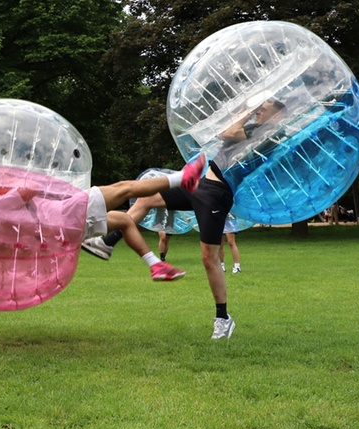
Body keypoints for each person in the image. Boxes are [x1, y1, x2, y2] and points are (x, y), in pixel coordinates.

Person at [85, 99, 286, 339]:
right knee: (146, 198)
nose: (260, 109)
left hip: (217, 193)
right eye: (260, 106)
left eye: (266, 107)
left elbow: (228, 131)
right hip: (201, 184)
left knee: (208, 258)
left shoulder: (269, 135)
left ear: (277, 115)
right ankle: (108, 241)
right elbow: (225, 134)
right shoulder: (256, 130)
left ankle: (223, 318)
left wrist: (247, 111)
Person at [0, 153, 207, 282]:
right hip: (67, 215)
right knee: (125, 188)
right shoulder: (1, 202)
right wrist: (11, 179)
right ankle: (183, 179)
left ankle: (156, 266)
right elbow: (33, 186)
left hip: (63, 231)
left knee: (123, 221)